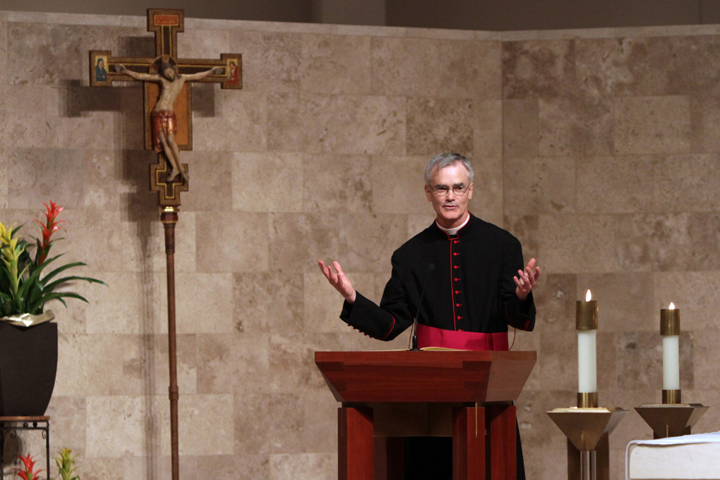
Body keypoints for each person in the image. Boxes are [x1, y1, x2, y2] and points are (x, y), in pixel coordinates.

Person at [318, 152, 540, 479]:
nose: (450, 196)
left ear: (470, 191)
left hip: (487, 390)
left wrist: (521, 295)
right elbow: (390, 324)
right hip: (430, 390)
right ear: (428, 193)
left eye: (457, 187)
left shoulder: (503, 245)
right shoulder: (410, 254)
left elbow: (517, 318)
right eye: (441, 188)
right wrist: (353, 298)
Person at [115, 57, 224, 182]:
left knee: (171, 140)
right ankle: (175, 168)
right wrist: (125, 71)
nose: (169, 75)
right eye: (166, 74)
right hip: (157, 112)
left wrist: (211, 71)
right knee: (163, 141)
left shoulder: (182, 78)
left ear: (173, 70)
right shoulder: (161, 79)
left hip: (169, 113)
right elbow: (142, 76)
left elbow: (197, 76)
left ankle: (181, 168)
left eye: (170, 72)